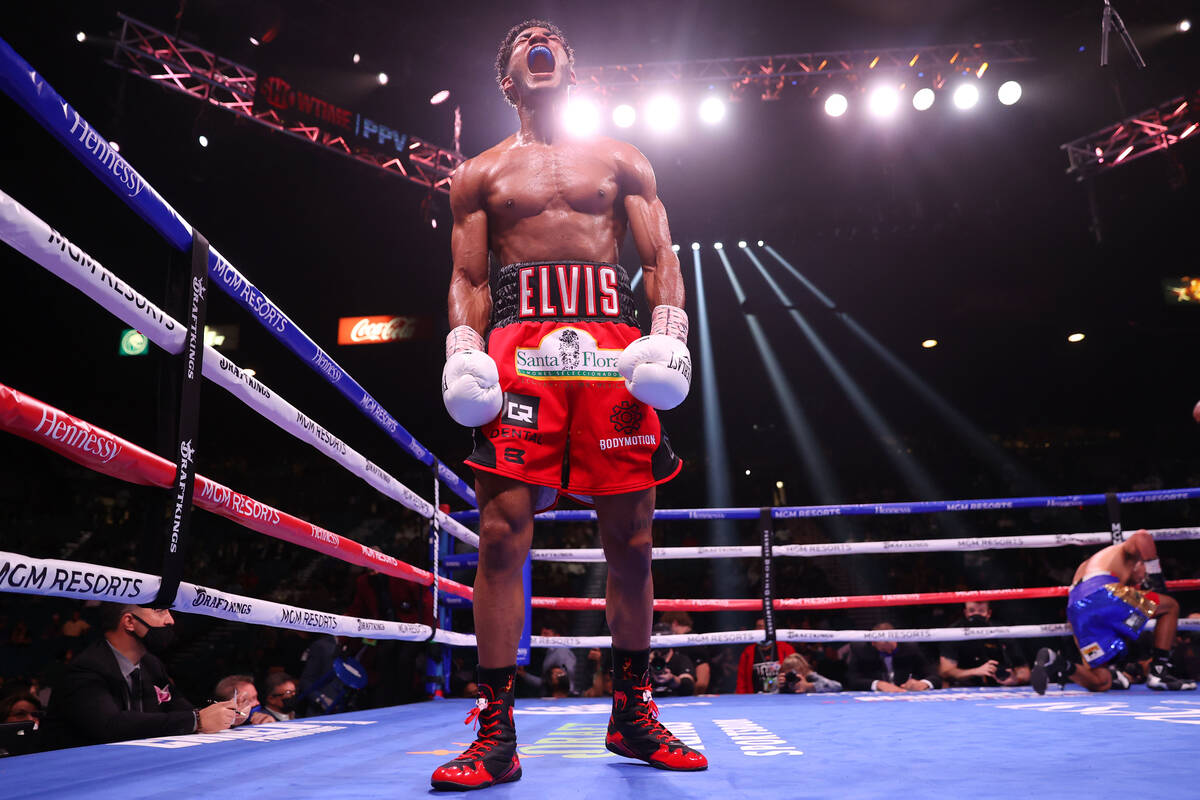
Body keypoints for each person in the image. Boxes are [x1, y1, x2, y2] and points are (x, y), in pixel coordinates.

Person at [432, 19, 702, 789]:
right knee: (497, 535)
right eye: (523, 36)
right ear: (508, 77)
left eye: (551, 35)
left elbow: (659, 259)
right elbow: (469, 278)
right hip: (520, 353)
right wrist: (462, 347)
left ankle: (633, 712)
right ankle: (494, 733)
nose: (540, 36)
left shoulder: (623, 157)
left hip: (611, 350)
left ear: (569, 69)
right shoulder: (479, 172)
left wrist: (671, 334)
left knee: (634, 540)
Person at [40, 602, 239, 748]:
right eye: (159, 610)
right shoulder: (86, 668)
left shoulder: (151, 664)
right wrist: (197, 719)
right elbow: (110, 726)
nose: (170, 620)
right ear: (129, 622)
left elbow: (181, 709)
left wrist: (222, 715)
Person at [1033, 529, 1196, 693]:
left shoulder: (1090, 565)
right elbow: (1142, 536)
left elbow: (1098, 611)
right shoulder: (1124, 554)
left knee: (1101, 681)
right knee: (1170, 606)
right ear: (1138, 563)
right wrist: (1156, 579)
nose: (1142, 580)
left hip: (1077, 611)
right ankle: (1159, 673)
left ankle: (1058, 662)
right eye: (1143, 574)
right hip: (1105, 592)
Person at [938, 601, 1030, 687]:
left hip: (998, 687)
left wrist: (1015, 679)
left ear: (989, 613)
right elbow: (945, 672)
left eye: (981, 611)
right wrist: (976, 671)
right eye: (972, 611)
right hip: (963, 687)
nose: (976, 615)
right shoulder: (954, 633)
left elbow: (1024, 670)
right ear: (965, 612)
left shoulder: (1002, 632)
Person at [845, 623, 940, 692]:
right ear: (873, 643)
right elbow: (852, 680)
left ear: (897, 641)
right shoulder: (861, 650)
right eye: (884, 650)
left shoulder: (910, 648)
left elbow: (934, 675)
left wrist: (924, 683)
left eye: (892, 649)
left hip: (906, 696)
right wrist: (878, 684)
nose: (889, 653)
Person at [736, 619, 796, 694]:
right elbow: (741, 681)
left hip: (783, 696)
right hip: (755, 698)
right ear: (755, 630)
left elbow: (796, 673)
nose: (763, 630)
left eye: (766, 627)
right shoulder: (748, 652)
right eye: (759, 627)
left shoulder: (786, 649)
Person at [775, 653, 842, 694]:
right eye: (789, 673)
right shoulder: (783, 681)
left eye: (796, 672)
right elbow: (769, 694)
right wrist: (779, 687)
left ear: (804, 670)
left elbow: (837, 686)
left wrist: (809, 686)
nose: (793, 676)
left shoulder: (811, 676)